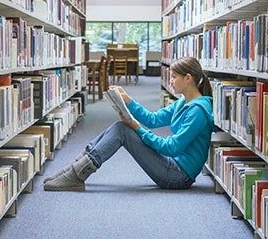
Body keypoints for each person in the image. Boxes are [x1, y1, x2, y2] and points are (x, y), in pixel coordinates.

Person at [43, 56, 214, 191]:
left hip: (179, 176)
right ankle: (74, 169)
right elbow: (153, 120)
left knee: (123, 130)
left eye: (174, 77)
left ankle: (76, 174)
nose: (170, 81)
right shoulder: (183, 102)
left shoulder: (197, 111)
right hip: (173, 164)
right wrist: (128, 100)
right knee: (121, 127)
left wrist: (135, 126)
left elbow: (172, 147)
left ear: (188, 79)